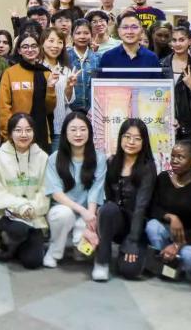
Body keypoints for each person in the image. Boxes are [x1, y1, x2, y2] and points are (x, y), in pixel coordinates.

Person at [0, 113, 51, 270]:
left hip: (34, 216)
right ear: (10, 133)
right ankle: (8, 245)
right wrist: (21, 206)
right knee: (19, 229)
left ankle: (17, 247)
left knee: (33, 262)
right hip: (9, 216)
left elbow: (46, 190)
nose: (24, 135)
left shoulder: (43, 157)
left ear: (34, 132)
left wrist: (32, 208)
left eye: (28, 130)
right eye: (18, 130)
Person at [44, 112, 107, 269]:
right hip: (64, 209)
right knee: (63, 214)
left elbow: (95, 191)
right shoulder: (54, 158)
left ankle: (78, 246)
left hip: (88, 211)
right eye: (73, 130)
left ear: (89, 132)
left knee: (84, 249)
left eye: (82, 129)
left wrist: (90, 217)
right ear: (65, 133)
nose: (78, 134)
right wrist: (82, 211)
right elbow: (56, 193)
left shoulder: (99, 158)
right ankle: (54, 251)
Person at [96, 119, 156, 281]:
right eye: (127, 137)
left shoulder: (148, 167)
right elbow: (107, 199)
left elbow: (141, 207)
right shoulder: (111, 162)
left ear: (144, 142)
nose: (131, 142)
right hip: (115, 222)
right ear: (120, 138)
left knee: (129, 271)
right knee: (108, 208)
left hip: (137, 227)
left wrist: (133, 241)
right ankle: (102, 260)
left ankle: (129, 249)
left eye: (137, 138)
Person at [146, 141, 191, 280]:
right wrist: (171, 217)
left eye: (180, 157)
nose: (174, 160)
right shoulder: (164, 178)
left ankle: (185, 271)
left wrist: (177, 245)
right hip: (169, 231)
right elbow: (153, 208)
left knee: (189, 256)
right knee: (152, 226)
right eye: (173, 156)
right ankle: (164, 262)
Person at [0, 29, 58, 151]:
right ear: (19, 50)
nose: (30, 50)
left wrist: (50, 87)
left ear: (39, 48)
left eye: (33, 46)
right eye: (25, 47)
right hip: (16, 134)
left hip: (40, 133)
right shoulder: (10, 73)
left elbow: (49, 109)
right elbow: (3, 106)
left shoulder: (46, 73)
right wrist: (8, 133)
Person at [161, 26, 191, 143]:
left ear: (190, 41)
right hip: (165, 122)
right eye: (174, 40)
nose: (177, 44)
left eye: (181, 40)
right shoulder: (161, 65)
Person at [98, 11, 162, 78]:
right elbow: (101, 83)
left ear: (141, 31)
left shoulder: (152, 57)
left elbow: (158, 84)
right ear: (118, 31)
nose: (130, 31)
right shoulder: (108, 57)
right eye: (125, 27)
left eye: (134, 27)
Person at [42, 27, 76, 152]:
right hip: (41, 127)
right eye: (51, 41)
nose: (55, 46)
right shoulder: (37, 67)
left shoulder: (65, 69)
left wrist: (69, 87)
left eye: (60, 42)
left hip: (60, 127)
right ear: (42, 43)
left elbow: (68, 100)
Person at [67, 19, 101, 114]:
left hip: (93, 111)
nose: (82, 36)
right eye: (78, 33)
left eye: (86, 33)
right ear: (72, 36)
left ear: (91, 35)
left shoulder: (98, 58)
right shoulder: (64, 57)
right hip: (68, 111)